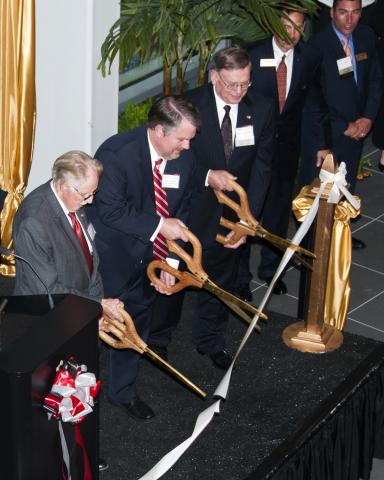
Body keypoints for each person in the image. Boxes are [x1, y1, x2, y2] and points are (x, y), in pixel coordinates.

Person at [149, 47, 275, 370]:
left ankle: (210, 339)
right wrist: (207, 176)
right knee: (174, 274)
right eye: (232, 84)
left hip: (231, 215)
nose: (239, 92)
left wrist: (249, 220)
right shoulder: (190, 105)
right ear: (215, 77)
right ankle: (159, 339)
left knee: (220, 279)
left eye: (245, 84)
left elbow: (262, 168)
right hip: (189, 210)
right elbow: (175, 159)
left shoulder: (260, 107)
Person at [87, 96, 200, 420]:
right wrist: (159, 225)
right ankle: (81, 396)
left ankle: (123, 391)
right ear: (160, 130)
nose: (188, 147)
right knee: (93, 332)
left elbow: (181, 211)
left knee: (136, 326)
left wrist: (172, 264)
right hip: (110, 262)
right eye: (182, 139)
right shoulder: (116, 154)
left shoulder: (183, 159)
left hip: (151, 262)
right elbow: (110, 211)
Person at [12, 150, 123, 473]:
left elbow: (92, 259)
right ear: (63, 186)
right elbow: (50, 286)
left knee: (85, 383)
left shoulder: (75, 203)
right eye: (86, 194)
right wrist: (97, 306)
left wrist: (96, 308)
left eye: (93, 193)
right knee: (59, 391)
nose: (90, 202)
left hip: (82, 312)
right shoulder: (35, 219)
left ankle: (84, 443)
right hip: (49, 319)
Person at [238, 7, 329, 296]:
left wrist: (323, 143)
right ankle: (240, 278)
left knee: (277, 212)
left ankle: (271, 270)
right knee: (246, 210)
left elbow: (315, 100)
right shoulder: (251, 55)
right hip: (251, 150)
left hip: (286, 150)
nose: (292, 34)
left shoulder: (309, 57)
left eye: (298, 28)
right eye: (287, 26)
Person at [299, 0, 382, 249]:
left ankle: (339, 234)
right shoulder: (317, 46)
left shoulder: (366, 36)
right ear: (332, 12)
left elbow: (376, 80)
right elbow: (314, 100)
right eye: (343, 12)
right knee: (320, 191)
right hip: (327, 133)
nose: (349, 20)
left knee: (346, 185)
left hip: (358, 129)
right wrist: (342, 126)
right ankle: (315, 244)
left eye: (355, 12)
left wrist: (367, 118)